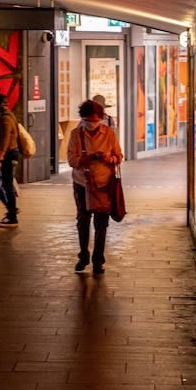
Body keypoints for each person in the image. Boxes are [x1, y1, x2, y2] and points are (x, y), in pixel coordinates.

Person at [67, 99, 123, 274]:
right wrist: (90, 157)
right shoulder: (76, 134)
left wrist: (109, 158)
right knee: (83, 220)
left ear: (100, 118)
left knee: (101, 222)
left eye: (94, 120)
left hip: (104, 183)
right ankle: (83, 255)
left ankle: (98, 260)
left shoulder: (109, 133)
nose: (91, 124)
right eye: (87, 120)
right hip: (82, 183)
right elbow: (72, 160)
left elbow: (119, 155)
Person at [0, 93, 21, 228]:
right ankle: (12, 210)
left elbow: (5, 140)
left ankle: (13, 218)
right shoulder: (6, 116)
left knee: (6, 185)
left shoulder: (5, 119)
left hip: (7, 156)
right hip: (7, 155)